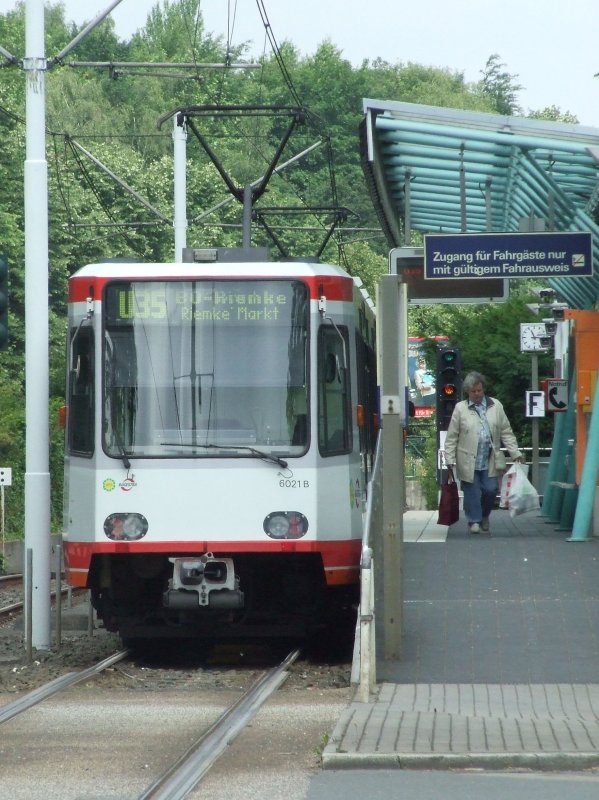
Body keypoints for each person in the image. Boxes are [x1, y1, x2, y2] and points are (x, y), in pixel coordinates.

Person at [443, 370, 523, 534]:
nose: (477, 394)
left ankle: (485, 515)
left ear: (483, 389)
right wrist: (449, 459)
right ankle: (474, 521)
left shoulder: (496, 406)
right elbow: (452, 436)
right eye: (473, 391)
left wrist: (515, 452)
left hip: (489, 458)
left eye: (479, 390)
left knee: (490, 490)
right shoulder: (460, 409)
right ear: (468, 392)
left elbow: (506, 431)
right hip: (467, 459)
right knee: (471, 491)